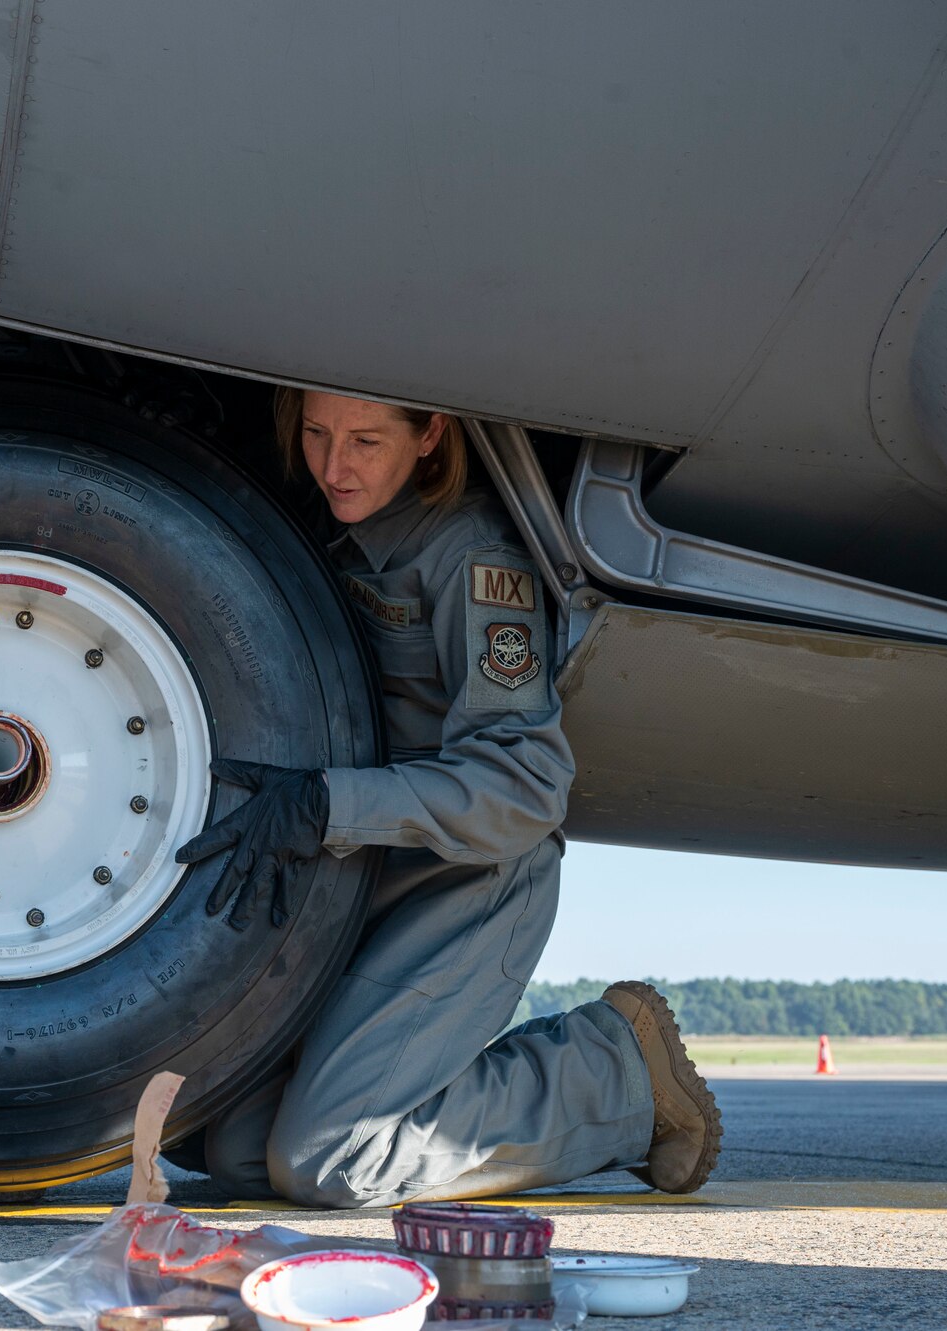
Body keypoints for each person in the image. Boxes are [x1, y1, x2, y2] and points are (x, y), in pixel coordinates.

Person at [173, 388, 722, 1207]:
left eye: (364, 440)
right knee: (239, 1147)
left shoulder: (469, 555)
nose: (333, 465)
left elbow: (526, 785)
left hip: (471, 881)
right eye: (317, 434)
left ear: (430, 433)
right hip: (372, 884)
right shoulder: (327, 527)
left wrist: (330, 805)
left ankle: (614, 1074)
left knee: (332, 1161)